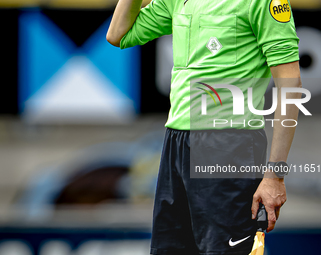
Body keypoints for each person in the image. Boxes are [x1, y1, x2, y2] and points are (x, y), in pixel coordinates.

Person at [107, 0, 302, 254]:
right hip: (176, 142)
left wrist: (275, 175)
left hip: (230, 144)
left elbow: (290, 85)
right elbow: (118, 35)